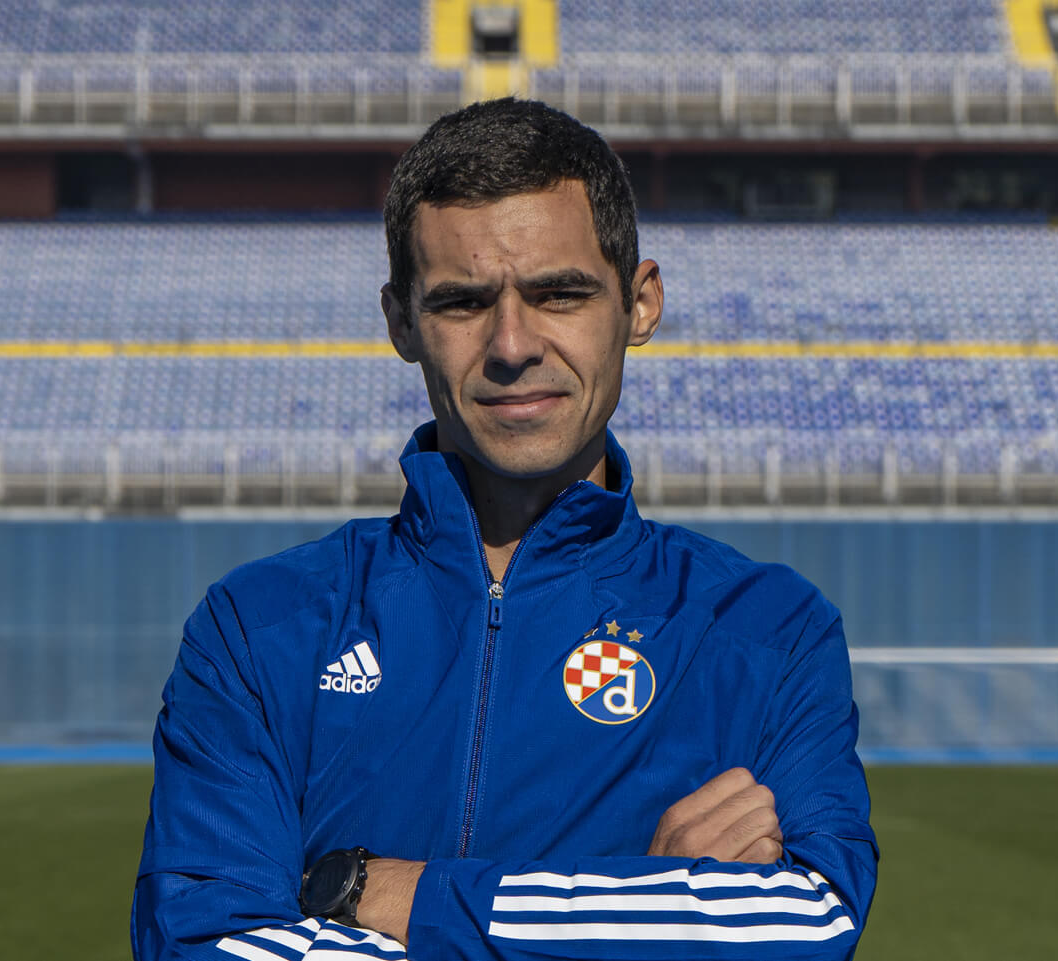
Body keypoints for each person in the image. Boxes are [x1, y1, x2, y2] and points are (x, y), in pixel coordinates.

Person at [133, 98, 877, 961]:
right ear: (402, 323)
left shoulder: (767, 630)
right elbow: (202, 943)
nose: (512, 344)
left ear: (640, 303)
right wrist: (640, 915)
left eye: (560, 293)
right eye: (463, 302)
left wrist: (398, 895)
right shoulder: (260, 629)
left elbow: (809, 921)